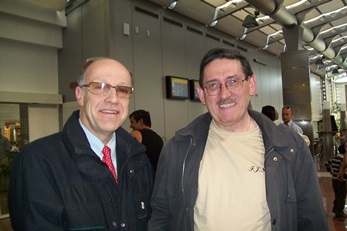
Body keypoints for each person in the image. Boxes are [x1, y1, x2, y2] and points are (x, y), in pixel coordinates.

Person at [148, 48, 328, 230]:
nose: (224, 94)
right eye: (213, 85)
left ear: (251, 84)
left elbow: (311, 221)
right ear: (202, 94)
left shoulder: (289, 147)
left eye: (233, 82)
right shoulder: (178, 148)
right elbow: (161, 216)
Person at [8, 58, 155, 230]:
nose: (113, 99)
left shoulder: (138, 160)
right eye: (100, 87)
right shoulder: (37, 161)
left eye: (122, 90)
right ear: (80, 95)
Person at [325, 143, 347, 218]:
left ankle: (336, 209)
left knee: (337, 195)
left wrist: (330, 171)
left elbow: (327, 163)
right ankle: (339, 212)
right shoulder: (343, 159)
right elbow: (343, 170)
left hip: (334, 180)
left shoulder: (334, 158)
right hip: (341, 180)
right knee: (341, 196)